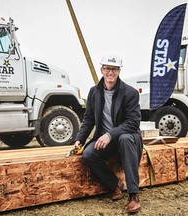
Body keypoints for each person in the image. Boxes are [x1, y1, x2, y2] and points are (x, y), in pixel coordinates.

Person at [74, 51, 143, 213]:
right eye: (107, 68)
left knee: (125, 139)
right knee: (89, 154)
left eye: (115, 68)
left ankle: (133, 195)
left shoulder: (130, 93)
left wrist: (110, 134)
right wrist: (80, 139)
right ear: (101, 70)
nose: (110, 72)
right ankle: (114, 185)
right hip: (106, 141)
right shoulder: (94, 92)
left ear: (119, 71)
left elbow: (133, 122)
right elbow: (89, 118)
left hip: (127, 139)